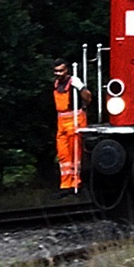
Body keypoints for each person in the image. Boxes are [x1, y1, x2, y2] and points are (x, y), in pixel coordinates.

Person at [52, 58, 92, 196]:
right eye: (56, 71)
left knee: (76, 154)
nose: (58, 73)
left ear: (67, 70)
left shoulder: (73, 83)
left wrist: (80, 87)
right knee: (63, 156)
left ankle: (77, 183)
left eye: (61, 70)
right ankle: (65, 185)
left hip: (75, 119)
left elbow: (88, 98)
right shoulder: (56, 84)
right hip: (62, 122)